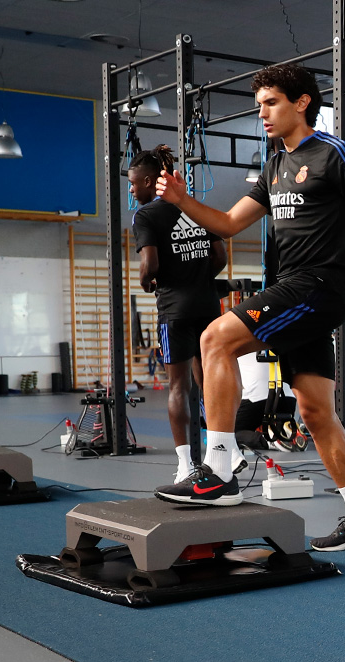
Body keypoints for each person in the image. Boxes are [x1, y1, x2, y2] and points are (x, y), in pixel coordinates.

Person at [152, 64, 345, 553]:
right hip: (296, 290)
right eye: (259, 104)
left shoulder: (334, 154)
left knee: (214, 338)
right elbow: (229, 223)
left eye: (271, 102)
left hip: (317, 286)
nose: (262, 112)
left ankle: (219, 469)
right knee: (316, 411)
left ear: (301, 103)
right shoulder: (276, 163)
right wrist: (180, 199)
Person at [129, 144, 229, 482]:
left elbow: (150, 265)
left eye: (133, 184)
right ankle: (226, 452)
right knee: (209, 381)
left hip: (175, 310)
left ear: (148, 181)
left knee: (178, 387)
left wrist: (147, 281)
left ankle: (185, 464)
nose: (132, 190)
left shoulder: (146, 216)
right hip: (208, 306)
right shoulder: (194, 206)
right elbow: (220, 258)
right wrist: (196, 277)